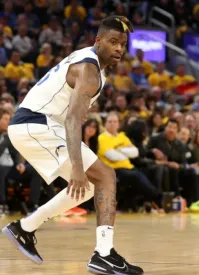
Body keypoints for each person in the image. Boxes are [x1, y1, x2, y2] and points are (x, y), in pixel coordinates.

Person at [2, 16, 143, 275]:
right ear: (97, 41)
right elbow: (71, 120)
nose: (119, 49)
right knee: (105, 176)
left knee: (90, 187)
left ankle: (25, 227)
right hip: (35, 124)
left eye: (122, 43)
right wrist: (77, 167)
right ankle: (103, 255)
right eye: (113, 42)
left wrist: (115, 20)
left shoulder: (91, 63)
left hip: (41, 123)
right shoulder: (89, 72)